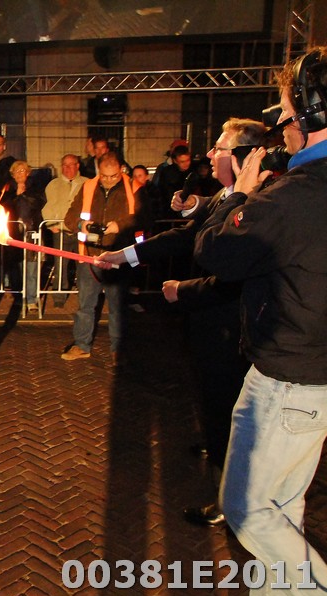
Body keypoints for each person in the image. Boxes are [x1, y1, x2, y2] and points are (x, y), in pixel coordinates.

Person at [194, 47, 327, 595]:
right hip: (315, 377)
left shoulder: (298, 194)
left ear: (311, 115)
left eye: (286, 112)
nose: (282, 126)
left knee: (248, 511)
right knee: (283, 509)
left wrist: (240, 196)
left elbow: (216, 253)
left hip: (285, 380)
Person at [98, 118, 267, 528]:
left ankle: (228, 500)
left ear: (242, 157)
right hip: (209, 323)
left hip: (230, 329)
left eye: (219, 148)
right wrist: (124, 256)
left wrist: (184, 291)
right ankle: (215, 447)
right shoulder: (228, 196)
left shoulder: (253, 203)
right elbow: (184, 235)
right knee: (211, 401)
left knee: (226, 407)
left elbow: (231, 278)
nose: (209, 154)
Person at [61, 151, 138, 365]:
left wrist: (120, 226)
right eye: (104, 176)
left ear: (121, 170)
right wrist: (81, 225)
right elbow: (69, 218)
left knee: (117, 306)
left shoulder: (134, 188)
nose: (108, 180)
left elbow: (146, 217)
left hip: (119, 255)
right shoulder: (88, 187)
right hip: (90, 255)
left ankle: (118, 348)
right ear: (98, 171)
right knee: (85, 304)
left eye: (113, 176)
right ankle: (81, 345)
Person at [0, 160, 46, 311]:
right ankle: (19, 297)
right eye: (17, 171)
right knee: (16, 268)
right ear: (12, 174)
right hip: (14, 233)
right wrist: (16, 195)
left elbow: (39, 203)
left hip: (31, 231)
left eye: (23, 171)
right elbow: (2, 205)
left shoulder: (35, 187)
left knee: (31, 267)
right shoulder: (7, 189)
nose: (20, 174)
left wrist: (24, 194)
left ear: (28, 173)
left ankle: (31, 298)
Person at [42, 153, 87, 306]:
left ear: (77, 166)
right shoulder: (53, 185)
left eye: (71, 165)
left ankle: (84, 296)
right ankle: (59, 297)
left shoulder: (87, 183)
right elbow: (47, 206)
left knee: (83, 265)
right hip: (60, 231)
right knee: (60, 265)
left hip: (81, 232)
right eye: (64, 165)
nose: (67, 168)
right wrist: (51, 225)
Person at [155, 144, 193, 221]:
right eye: (182, 161)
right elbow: (162, 193)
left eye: (188, 160)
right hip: (170, 211)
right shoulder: (167, 173)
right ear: (175, 161)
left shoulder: (193, 171)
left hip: (191, 209)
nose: (186, 164)